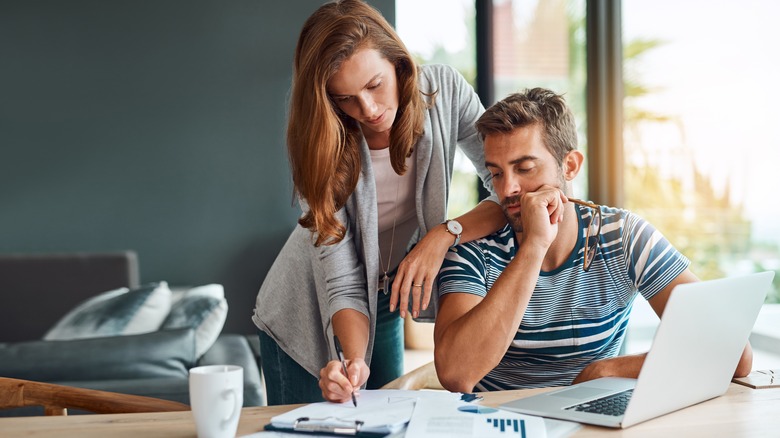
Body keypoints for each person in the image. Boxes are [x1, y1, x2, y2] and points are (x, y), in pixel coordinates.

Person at [252, 0, 504, 405]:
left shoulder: (444, 92)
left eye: (374, 85)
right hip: (305, 310)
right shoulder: (322, 147)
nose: (367, 110)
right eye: (345, 99)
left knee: (387, 420)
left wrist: (444, 235)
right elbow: (342, 280)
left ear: (398, 64)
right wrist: (352, 362)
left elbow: (504, 186)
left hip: (385, 296)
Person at [433, 88, 753, 392]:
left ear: (569, 166)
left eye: (525, 168)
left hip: (591, 423)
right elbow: (456, 375)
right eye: (497, 173)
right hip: (500, 423)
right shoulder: (473, 251)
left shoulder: (622, 236)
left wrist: (606, 370)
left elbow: (734, 353)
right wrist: (534, 246)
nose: (508, 189)